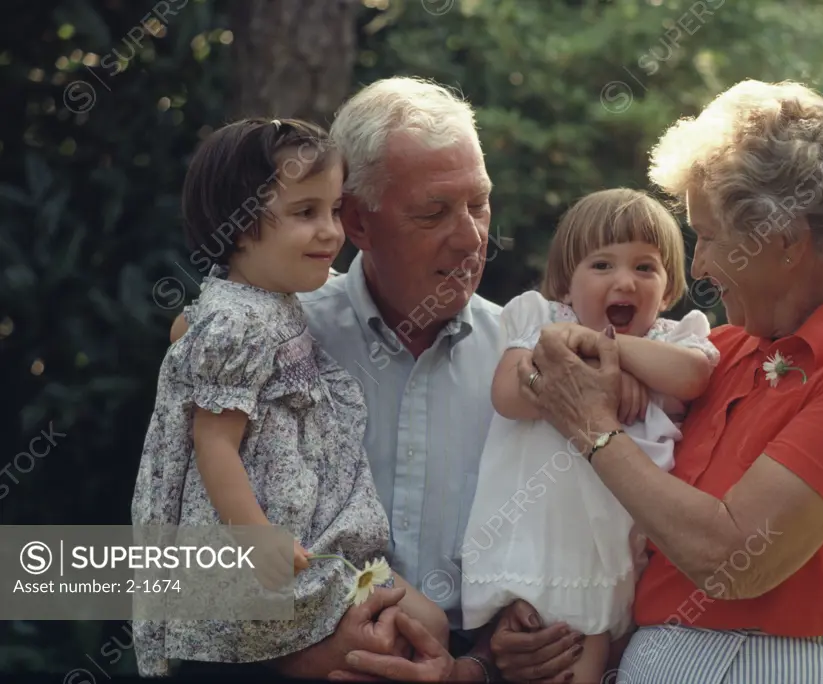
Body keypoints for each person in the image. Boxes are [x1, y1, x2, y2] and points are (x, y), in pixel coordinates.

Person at [170, 78, 586, 682]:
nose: (472, 238)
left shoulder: (526, 364)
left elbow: (577, 552)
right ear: (357, 222)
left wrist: (481, 664)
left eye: (479, 203)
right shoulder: (260, 342)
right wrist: (296, 656)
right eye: (434, 211)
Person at [518, 80, 823, 683]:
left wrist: (594, 430)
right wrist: (534, 619)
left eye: (709, 237)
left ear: (785, 242)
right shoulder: (719, 352)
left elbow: (735, 557)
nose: (702, 265)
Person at [135, 117, 447, 678]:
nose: (330, 231)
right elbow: (213, 443)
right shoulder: (242, 321)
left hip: (305, 533)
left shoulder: (258, 301)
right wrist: (257, 538)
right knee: (419, 627)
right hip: (271, 548)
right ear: (237, 228)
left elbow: (189, 332)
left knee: (423, 627)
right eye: (305, 213)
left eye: (332, 210)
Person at [459, 188, 719, 681]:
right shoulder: (544, 319)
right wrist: (599, 364)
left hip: (619, 559)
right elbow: (508, 393)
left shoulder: (671, 340)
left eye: (646, 268)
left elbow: (695, 377)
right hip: (537, 544)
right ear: (565, 284)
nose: (625, 280)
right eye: (602, 265)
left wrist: (614, 354)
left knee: (588, 658)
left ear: (667, 290)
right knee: (537, 649)